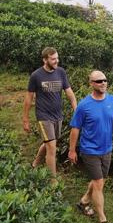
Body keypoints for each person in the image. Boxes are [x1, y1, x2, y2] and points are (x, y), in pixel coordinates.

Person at [68, 70, 113, 223]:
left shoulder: (112, 101)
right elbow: (75, 129)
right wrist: (71, 150)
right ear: (91, 83)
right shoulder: (84, 105)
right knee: (98, 183)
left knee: (100, 181)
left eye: (105, 80)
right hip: (89, 150)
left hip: (107, 149)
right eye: (99, 81)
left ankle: (83, 202)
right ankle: (102, 220)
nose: (103, 83)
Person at [22, 47, 77, 177]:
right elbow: (29, 98)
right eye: (53, 59)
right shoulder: (36, 75)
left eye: (57, 58)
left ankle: (35, 164)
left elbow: (69, 93)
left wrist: (76, 109)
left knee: (49, 143)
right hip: (43, 116)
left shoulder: (61, 72)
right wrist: (25, 119)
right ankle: (53, 182)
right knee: (52, 147)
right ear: (45, 60)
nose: (56, 61)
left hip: (58, 115)